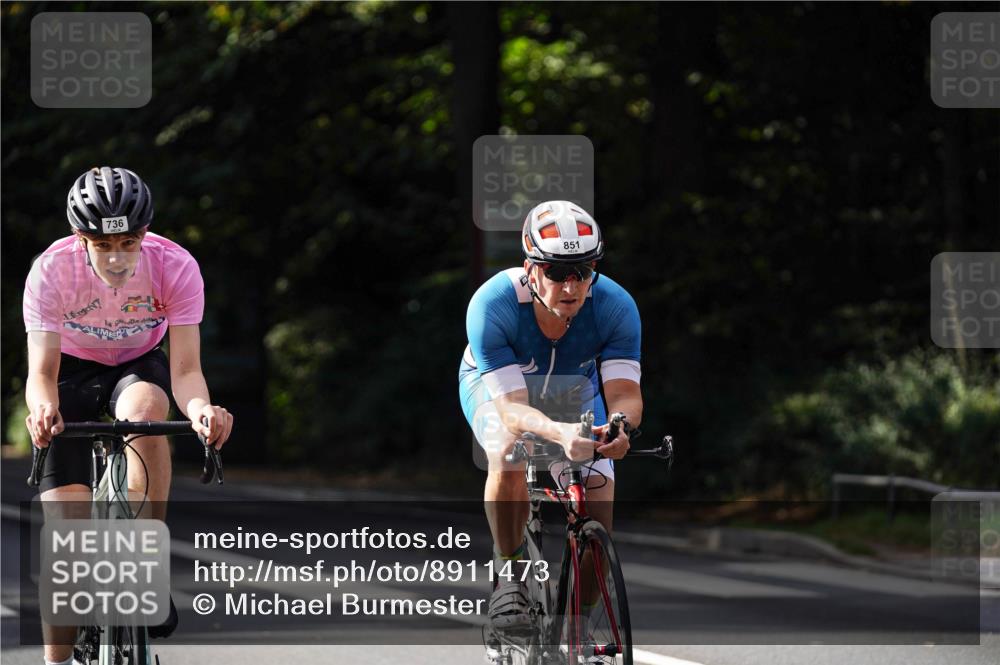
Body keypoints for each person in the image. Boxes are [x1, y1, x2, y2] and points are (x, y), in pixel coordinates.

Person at [23, 166, 234, 665]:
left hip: (137, 366)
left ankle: (143, 565)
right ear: (80, 239)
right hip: (68, 372)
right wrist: (42, 409)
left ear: (145, 234)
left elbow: (185, 371)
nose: (117, 259)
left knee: (146, 411)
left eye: (130, 243)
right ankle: (58, 661)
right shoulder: (52, 270)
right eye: (102, 246)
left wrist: (203, 411)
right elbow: (41, 372)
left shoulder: (174, 264)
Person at [458, 200, 642, 632]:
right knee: (506, 450)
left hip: (575, 390)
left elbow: (625, 392)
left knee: (597, 530)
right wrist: (559, 432)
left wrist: (620, 425)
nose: (572, 285)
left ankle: (568, 632)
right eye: (558, 272)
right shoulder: (494, 303)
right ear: (530, 268)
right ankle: (510, 574)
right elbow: (512, 408)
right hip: (500, 389)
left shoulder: (616, 306)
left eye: (584, 270)